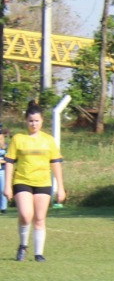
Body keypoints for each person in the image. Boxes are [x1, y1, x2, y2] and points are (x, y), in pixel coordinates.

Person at [3, 102, 66, 261]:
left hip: (43, 183)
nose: (34, 124)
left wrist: (61, 187)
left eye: (37, 121)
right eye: (31, 121)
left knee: (39, 218)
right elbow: (9, 162)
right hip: (22, 181)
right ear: (26, 121)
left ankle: (39, 253)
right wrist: (7, 186)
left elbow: (56, 163)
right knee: (25, 215)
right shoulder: (18, 139)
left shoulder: (48, 140)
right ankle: (23, 245)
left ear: (42, 121)